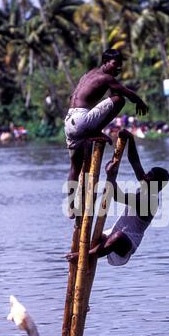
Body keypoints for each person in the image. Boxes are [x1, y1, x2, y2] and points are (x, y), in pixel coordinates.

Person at [64, 49, 149, 218]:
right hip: (82, 120)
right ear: (105, 62)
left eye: (120, 65)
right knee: (119, 101)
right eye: (115, 64)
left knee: (76, 166)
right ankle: (95, 131)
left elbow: (111, 91)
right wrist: (140, 102)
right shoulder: (106, 78)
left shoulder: (88, 75)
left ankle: (72, 207)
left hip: (69, 121)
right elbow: (126, 94)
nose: (118, 68)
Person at [66, 129, 169, 266]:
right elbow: (134, 161)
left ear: (157, 185)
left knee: (118, 237)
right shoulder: (146, 186)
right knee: (88, 236)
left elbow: (117, 196)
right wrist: (130, 139)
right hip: (110, 236)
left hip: (124, 246)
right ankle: (88, 253)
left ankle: (87, 256)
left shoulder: (149, 200)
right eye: (147, 173)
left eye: (149, 176)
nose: (145, 176)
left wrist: (110, 175)